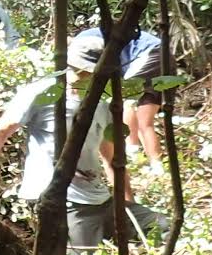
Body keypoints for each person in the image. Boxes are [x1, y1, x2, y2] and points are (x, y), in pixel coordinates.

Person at [0, 36, 159, 255]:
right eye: (78, 70)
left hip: (98, 198)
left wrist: (126, 206)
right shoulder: (42, 93)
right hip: (63, 200)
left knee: (161, 226)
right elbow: (1, 132)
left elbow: (112, 160)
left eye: (88, 72)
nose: (81, 76)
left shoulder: (101, 103)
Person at [69, 23, 168, 164]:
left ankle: (132, 150)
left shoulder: (81, 43)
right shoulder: (91, 38)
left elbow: (89, 71)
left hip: (148, 53)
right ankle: (156, 163)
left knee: (127, 102)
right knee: (145, 122)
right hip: (163, 55)